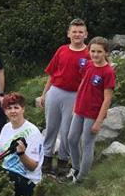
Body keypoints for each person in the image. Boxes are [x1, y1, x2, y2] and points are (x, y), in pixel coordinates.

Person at [38, 19, 90, 176]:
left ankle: (62, 162)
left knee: (67, 131)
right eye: (74, 31)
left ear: (86, 34)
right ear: (68, 34)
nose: (77, 34)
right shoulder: (61, 50)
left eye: (80, 32)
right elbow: (52, 73)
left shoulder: (89, 54)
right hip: (55, 91)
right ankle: (46, 161)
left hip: (74, 96)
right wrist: (44, 94)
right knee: (51, 128)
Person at [66, 37, 116, 183]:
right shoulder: (88, 65)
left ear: (106, 53)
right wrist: (76, 104)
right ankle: (75, 168)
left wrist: (99, 121)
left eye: (99, 52)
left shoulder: (108, 72)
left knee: (86, 143)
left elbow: (107, 99)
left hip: (93, 113)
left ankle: (81, 178)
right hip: (80, 109)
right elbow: (83, 83)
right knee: (72, 139)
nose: (95, 54)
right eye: (92, 51)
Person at [0, 93, 43, 196]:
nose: (13, 111)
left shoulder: (33, 132)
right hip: (7, 173)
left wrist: (22, 154)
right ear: (5, 111)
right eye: (9, 108)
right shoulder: (6, 128)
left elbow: (33, 167)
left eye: (16, 107)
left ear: (23, 109)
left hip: (27, 180)